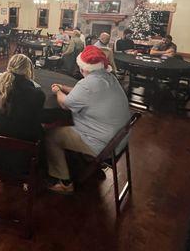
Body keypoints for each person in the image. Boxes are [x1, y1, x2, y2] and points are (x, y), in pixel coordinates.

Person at [47, 45, 130, 194]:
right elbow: (84, 94)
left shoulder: (87, 85)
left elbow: (65, 104)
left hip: (101, 144)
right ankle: (88, 165)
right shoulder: (109, 77)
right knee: (69, 124)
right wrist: (64, 87)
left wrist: (58, 90)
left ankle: (65, 183)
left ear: (84, 68)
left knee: (52, 135)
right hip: (119, 141)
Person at [0, 54, 46, 173]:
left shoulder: (1, 87)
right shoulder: (37, 95)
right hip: (24, 151)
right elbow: (37, 119)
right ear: (28, 70)